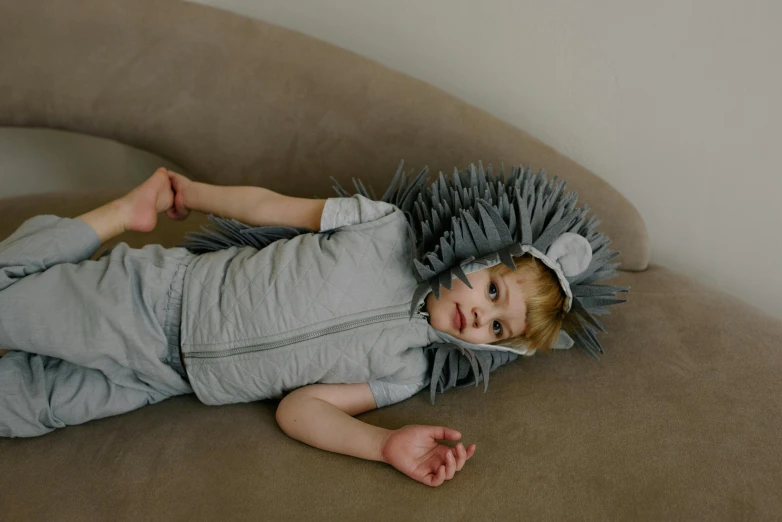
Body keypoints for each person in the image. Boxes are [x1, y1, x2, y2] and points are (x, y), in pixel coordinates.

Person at [0, 166, 574, 487]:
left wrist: (382, 444)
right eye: (494, 292)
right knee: (14, 305)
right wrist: (193, 194)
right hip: (161, 300)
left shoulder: (405, 371)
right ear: (479, 252)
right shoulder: (385, 230)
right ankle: (123, 214)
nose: (481, 317)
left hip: (170, 379)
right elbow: (273, 206)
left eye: (498, 330)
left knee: (30, 409)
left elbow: (298, 410)